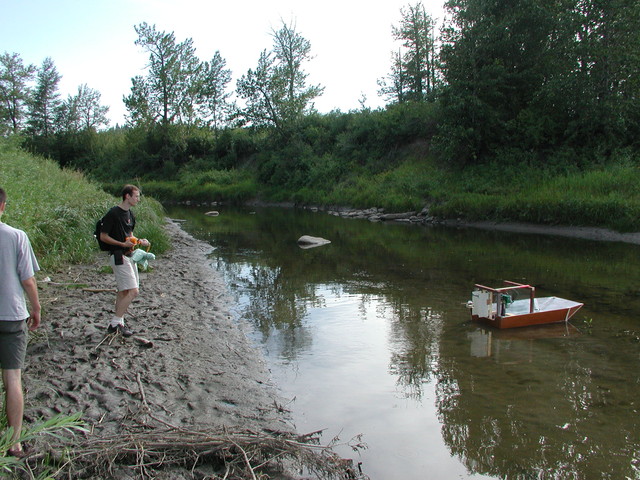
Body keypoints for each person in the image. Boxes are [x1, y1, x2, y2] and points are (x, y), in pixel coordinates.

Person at [0, 187, 41, 458]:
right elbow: (27, 279)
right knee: (12, 377)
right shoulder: (16, 236)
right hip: (11, 315)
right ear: (3, 206)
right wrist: (36, 307)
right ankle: (14, 441)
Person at [99, 185, 149, 337]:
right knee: (134, 291)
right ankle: (115, 322)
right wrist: (122, 245)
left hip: (129, 255)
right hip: (118, 256)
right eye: (136, 196)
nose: (138, 199)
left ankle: (119, 323)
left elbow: (130, 237)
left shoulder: (130, 214)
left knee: (124, 291)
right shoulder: (113, 213)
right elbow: (103, 236)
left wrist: (140, 241)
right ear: (127, 196)